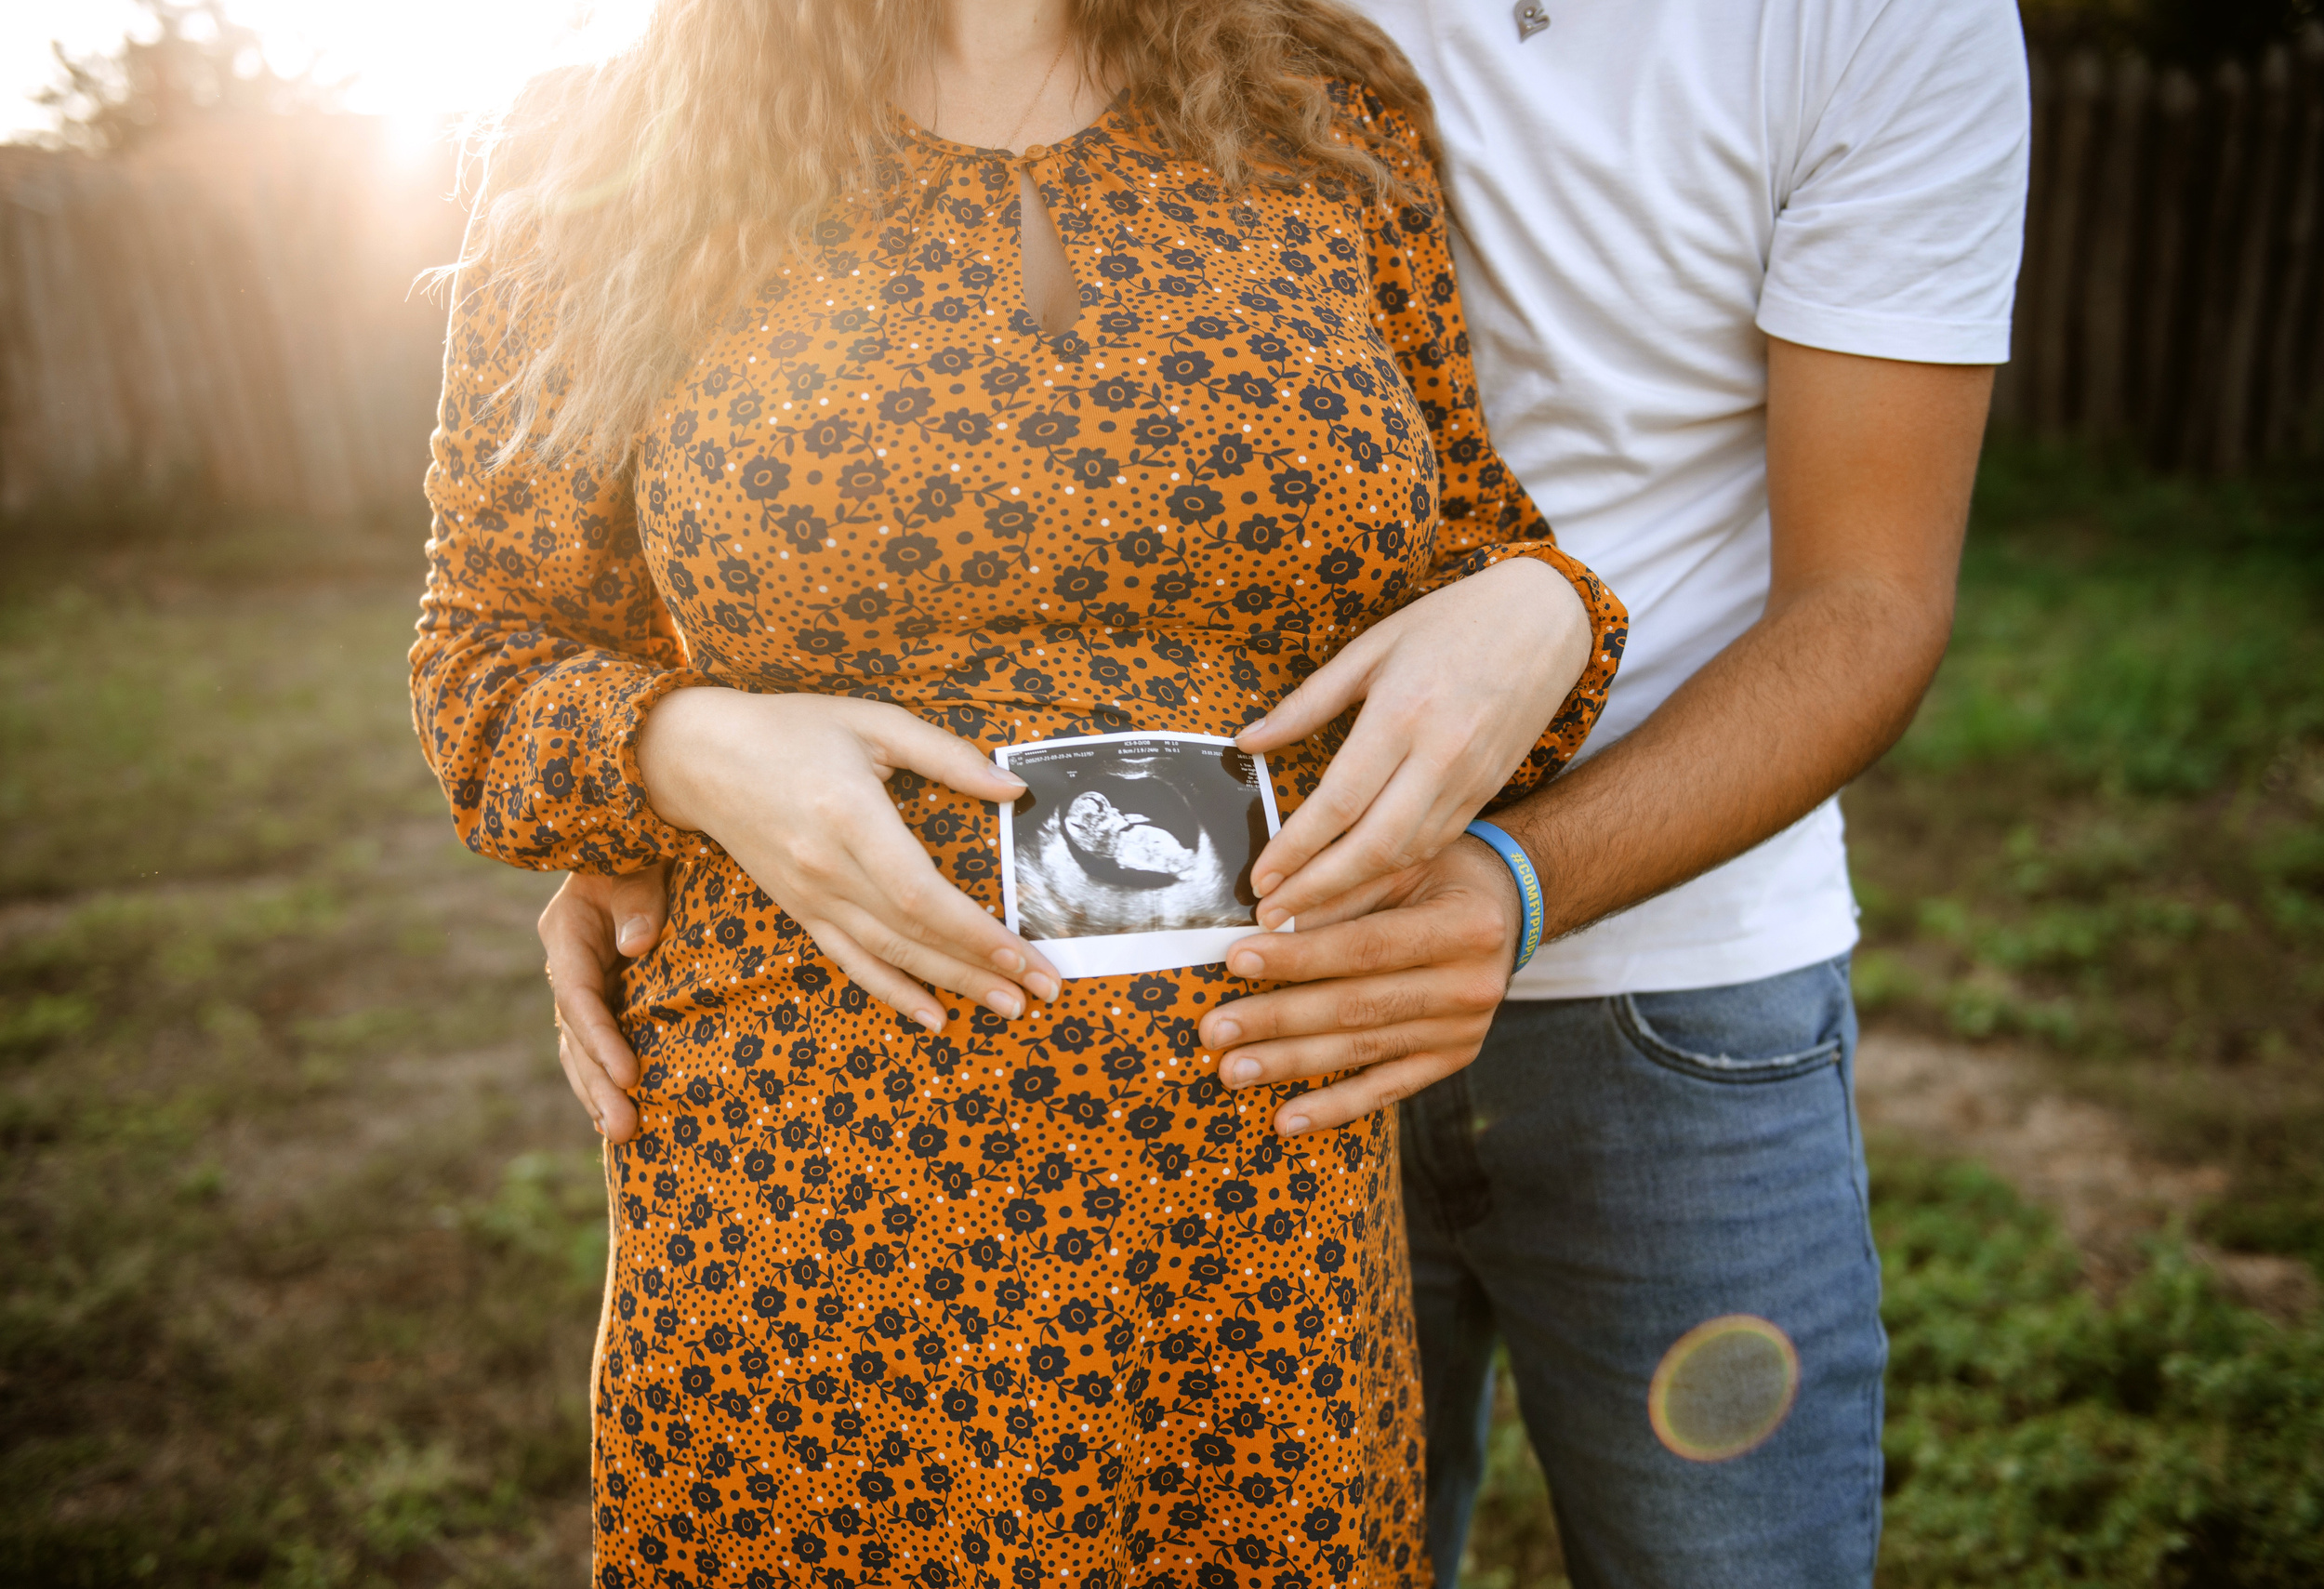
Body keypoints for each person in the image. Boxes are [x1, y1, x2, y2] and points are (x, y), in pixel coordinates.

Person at [548, 1, 2032, 1583]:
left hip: (1663, 985)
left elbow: (1869, 603)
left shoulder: (1883, 18)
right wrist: (651, 796)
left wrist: (1513, 860)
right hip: (1218, 1037)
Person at [413, 0, 1628, 1582]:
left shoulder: (1324, 109)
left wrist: (1544, 607)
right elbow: (482, 653)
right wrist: (689, 748)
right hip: (810, 1206)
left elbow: (1461, 532)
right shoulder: (595, 148)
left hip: (1256, 1207)